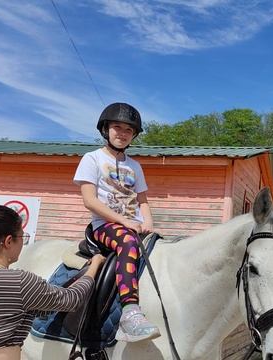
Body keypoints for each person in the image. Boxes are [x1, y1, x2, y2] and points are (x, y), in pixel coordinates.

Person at [0, 204, 105, 360]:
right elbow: (72, 300)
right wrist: (94, 267)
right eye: (22, 236)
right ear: (8, 241)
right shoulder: (19, 282)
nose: (23, 243)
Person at [73, 102, 160, 342]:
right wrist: (125, 221)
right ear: (105, 129)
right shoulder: (92, 159)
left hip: (132, 225)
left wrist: (149, 223)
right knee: (129, 243)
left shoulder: (135, 166)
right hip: (104, 226)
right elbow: (89, 201)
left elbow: (142, 200)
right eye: (117, 127)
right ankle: (129, 313)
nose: (122, 133)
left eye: (128, 130)